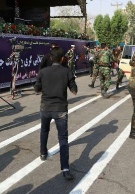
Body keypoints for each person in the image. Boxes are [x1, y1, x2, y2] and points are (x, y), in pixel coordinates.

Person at [35, 47, 78, 181]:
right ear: (62, 59)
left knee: (44, 130)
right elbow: (74, 91)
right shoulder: (66, 71)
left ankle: (43, 153)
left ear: (51, 58)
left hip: (45, 107)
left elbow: (36, 90)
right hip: (60, 109)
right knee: (63, 138)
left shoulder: (42, 72)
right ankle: (65, 170)